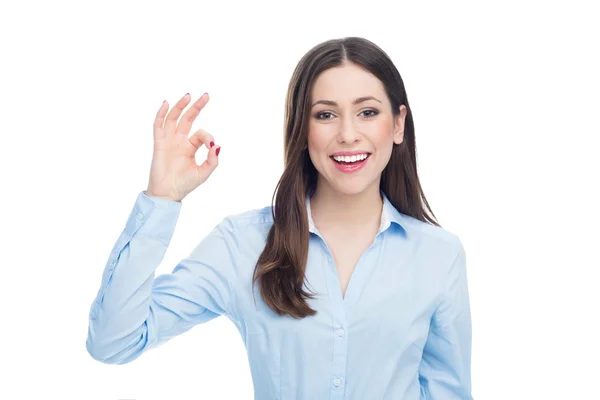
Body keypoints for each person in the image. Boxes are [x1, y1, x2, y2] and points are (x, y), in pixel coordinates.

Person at [86, 36, 473, 399]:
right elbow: (114, 340)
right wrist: (162, 200)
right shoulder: (243, 245)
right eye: (325, 115)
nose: (348, 134)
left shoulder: (439, 256)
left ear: (399, 124)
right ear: (302, 130)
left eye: (368, 112)